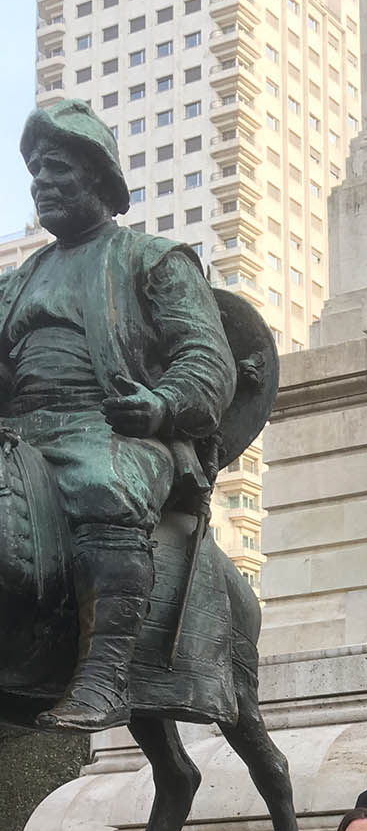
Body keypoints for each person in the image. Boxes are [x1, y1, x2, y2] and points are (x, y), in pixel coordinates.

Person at [1, 100, 238, 730]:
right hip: (20, 431)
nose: (41, 185)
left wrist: (160, 405)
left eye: (57, 170)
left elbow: (205, 357)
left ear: (99, 178)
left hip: (112, 428)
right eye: (34, 175)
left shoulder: (154, 258)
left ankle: (104, 677)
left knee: (103, 484)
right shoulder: (15, 282)